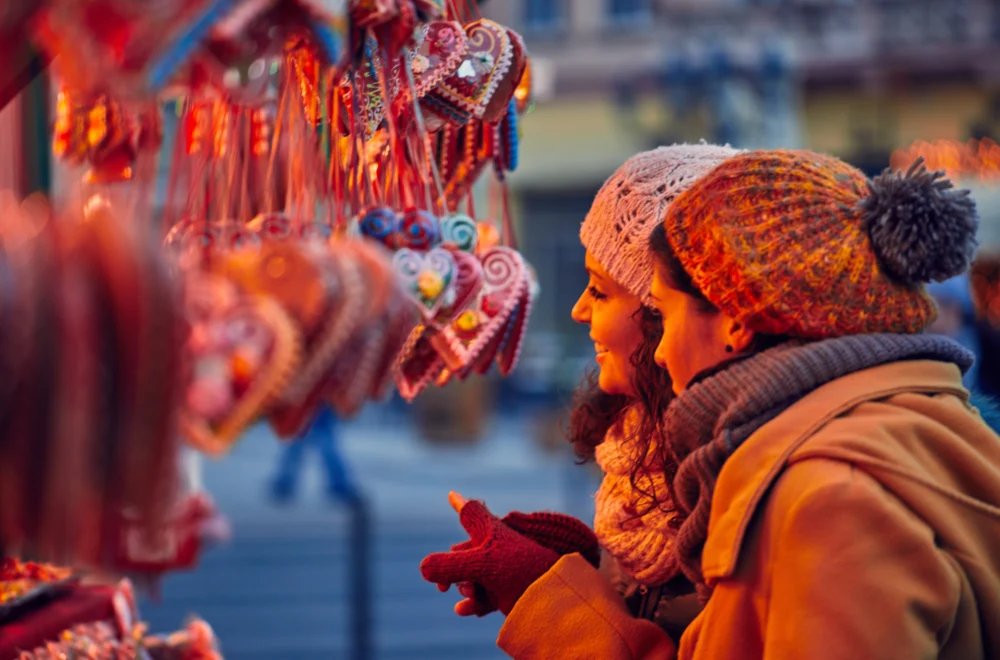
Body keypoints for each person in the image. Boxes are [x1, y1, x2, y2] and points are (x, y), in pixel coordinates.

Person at [421, 150, 1000, 659]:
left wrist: (551, 606)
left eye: (665, 313)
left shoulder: (829, 498)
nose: (662, 344)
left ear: (735, 323)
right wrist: (584, 582)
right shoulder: (871, 441)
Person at [269, 404, 360, 503]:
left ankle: (284, 484)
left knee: (301, 439)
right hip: (317, 399)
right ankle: (340, 486)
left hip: (312, 399)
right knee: (322, 439)